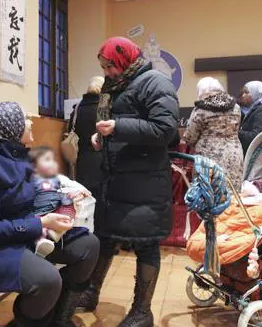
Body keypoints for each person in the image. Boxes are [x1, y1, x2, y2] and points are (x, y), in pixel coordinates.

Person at [0, 102, 100, 327]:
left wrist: (67, 198)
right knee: (47, 279)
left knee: (89, 246)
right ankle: (26, 322)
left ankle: (59, 319)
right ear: (11, 128)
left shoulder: (22, 158)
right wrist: (42, 222)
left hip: (30, 236)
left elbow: (43, 192)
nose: (31, 121)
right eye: (24, 118)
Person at [77, 37, 179, 327]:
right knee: (105, 236)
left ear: (124, 59)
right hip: (116, 178)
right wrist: (101, 137)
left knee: (146, 244)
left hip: (145, 180)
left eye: (110, 66)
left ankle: (142, 312)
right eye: (103, 67)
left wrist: (118, 128)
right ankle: (91, 291)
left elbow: (165, 128)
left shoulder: (154, 82)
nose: (107, 72)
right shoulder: (116, 84)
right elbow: (109, 119)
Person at [183, 77, 244, 190]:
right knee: (232, 193)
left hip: (208, 158)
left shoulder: (200, 110)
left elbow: (190, 137)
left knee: (210, 195)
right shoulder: (236, 107)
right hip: (234, 155)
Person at [29, 146, 90, 257]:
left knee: (69, 208)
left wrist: (79, 192)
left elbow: (75, 187)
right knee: (38, 227)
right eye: (47, 160)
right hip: (39, 214)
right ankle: (42, 242)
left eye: (53, 160)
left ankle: (55, 233)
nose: (53, 163)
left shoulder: (57, 179)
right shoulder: (30, 180)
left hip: (56, 208)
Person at [70, 76, 104, 208]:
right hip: (102, 159)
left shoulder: (78, 108)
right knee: (102, 199)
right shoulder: (106, 108)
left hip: (82, 160)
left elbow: (71, 130)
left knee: (85, 198)